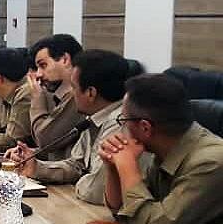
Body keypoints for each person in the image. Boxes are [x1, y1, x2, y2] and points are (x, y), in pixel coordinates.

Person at [100, 74, 223, 224]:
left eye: (123, 121)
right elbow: (124, 212)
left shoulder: (211, 163)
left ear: (145, 128)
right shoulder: (167, 148)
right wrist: (113, 166)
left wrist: (127, 166)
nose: (121, 129)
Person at [10, 50, 145, 205]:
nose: (71, 94)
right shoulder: (93, 117)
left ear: (91, 93)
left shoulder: (120, 123)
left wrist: (79, 181)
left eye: (73, 88)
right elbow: (76, 165)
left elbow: (94, 191)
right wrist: (36, 168)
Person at [28, 34, 85, 158]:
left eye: (43, 65)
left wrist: (37, 100)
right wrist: (30, 154)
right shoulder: (58, 95)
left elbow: (45, 140)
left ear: (65, 59)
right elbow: (56, 147)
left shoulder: (79, 97)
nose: (38, 74)